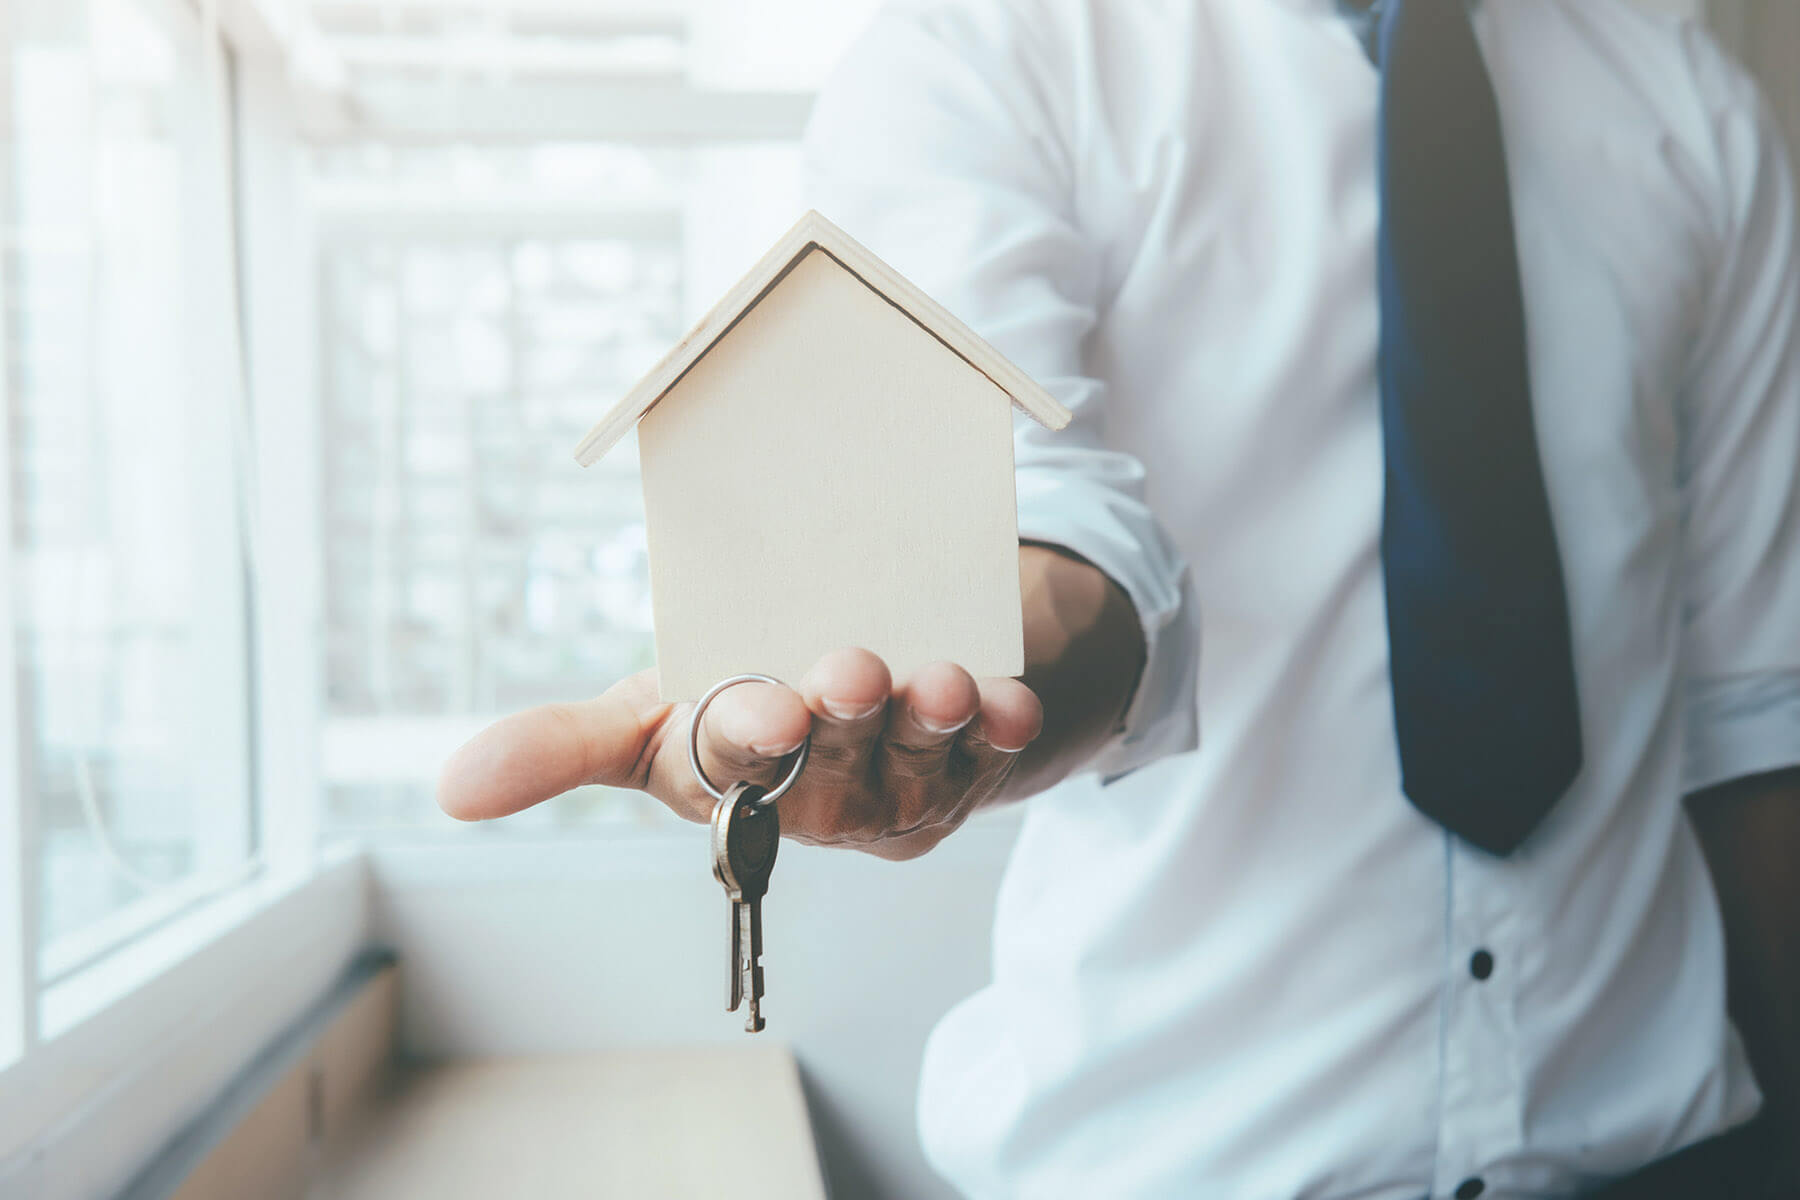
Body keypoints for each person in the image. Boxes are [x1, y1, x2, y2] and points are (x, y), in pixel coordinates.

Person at [439, 0, 1800, 1194]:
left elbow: (1754, 721)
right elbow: (1039, 520)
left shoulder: (1697, 114)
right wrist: (974, 690)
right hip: (1180, 1164)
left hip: (1669, 1157)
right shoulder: (989, 56)